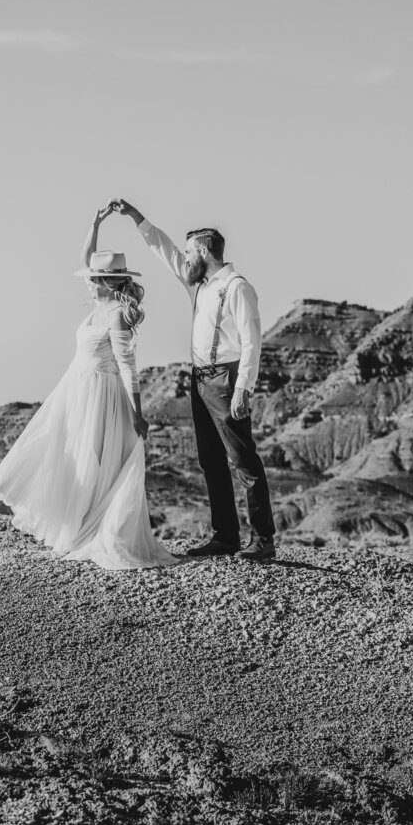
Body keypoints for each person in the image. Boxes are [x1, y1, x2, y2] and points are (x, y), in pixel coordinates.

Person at [0, 205, 177, 571]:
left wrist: (138, 414)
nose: (89, 280)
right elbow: (85, 258)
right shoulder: (97, 305)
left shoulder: (116, 313)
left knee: (93, 462)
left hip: (102, 396)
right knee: (69, 455)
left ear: (106, 281)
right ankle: (74, 529)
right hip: (78, 390)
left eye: (95, 277)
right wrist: (95, 223)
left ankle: (93, 531)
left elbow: (127, 367)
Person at [110, 198, 276, 562]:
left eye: (189, 252)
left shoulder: (237, 287)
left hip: (226, 379)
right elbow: (164, 249)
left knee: (243, 460)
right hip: (199, 380)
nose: (184, 259)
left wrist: (243, 388)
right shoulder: (197, 284)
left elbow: (252, 341)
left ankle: (263, 539)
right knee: (210, 461)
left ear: (203, 250)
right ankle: (225, 536)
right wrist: (136, 217)